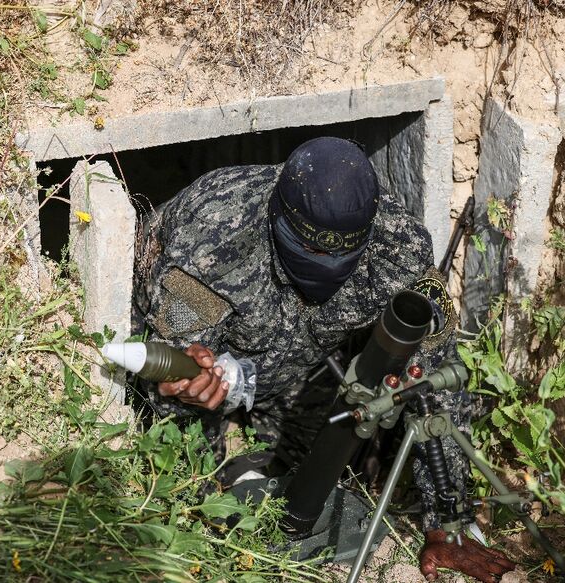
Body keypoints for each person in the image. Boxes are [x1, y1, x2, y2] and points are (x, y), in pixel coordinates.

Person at [132, 137, 515, 582]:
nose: (328, 263)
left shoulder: (398, 246)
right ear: (280, 218)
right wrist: (185, 375)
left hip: (295, 368)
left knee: (313, 477)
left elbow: (437, 381)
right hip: (214, 363)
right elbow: (173, 358)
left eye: (344, 253)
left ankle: (253, 464)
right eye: (312, 250)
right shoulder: (217, 229)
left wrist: (449, 522)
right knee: (192, 511)